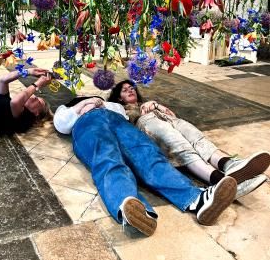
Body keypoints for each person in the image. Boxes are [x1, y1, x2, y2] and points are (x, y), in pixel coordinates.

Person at [53, 96, 238, 237]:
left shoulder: (109, 105)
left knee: (148, 154)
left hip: (117, 121)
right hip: (86, 124)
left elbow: (121, 112)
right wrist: (89, 103)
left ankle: (198, 200)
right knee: (107, 159)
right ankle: (133, 208)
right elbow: (62, 124)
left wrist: (99, 102)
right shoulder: (66, 108)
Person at [108, 80, 269, 199]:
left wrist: (155, 104)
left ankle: (229, 164)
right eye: (125, 90)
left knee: (196, 137)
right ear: (119, 98)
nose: (130, 91)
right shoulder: (121, 110)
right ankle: (223, 183)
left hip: (166, 119)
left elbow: (173, 116)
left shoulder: (148, 104)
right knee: (181, 145)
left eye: (132, 88)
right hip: (146, 123)